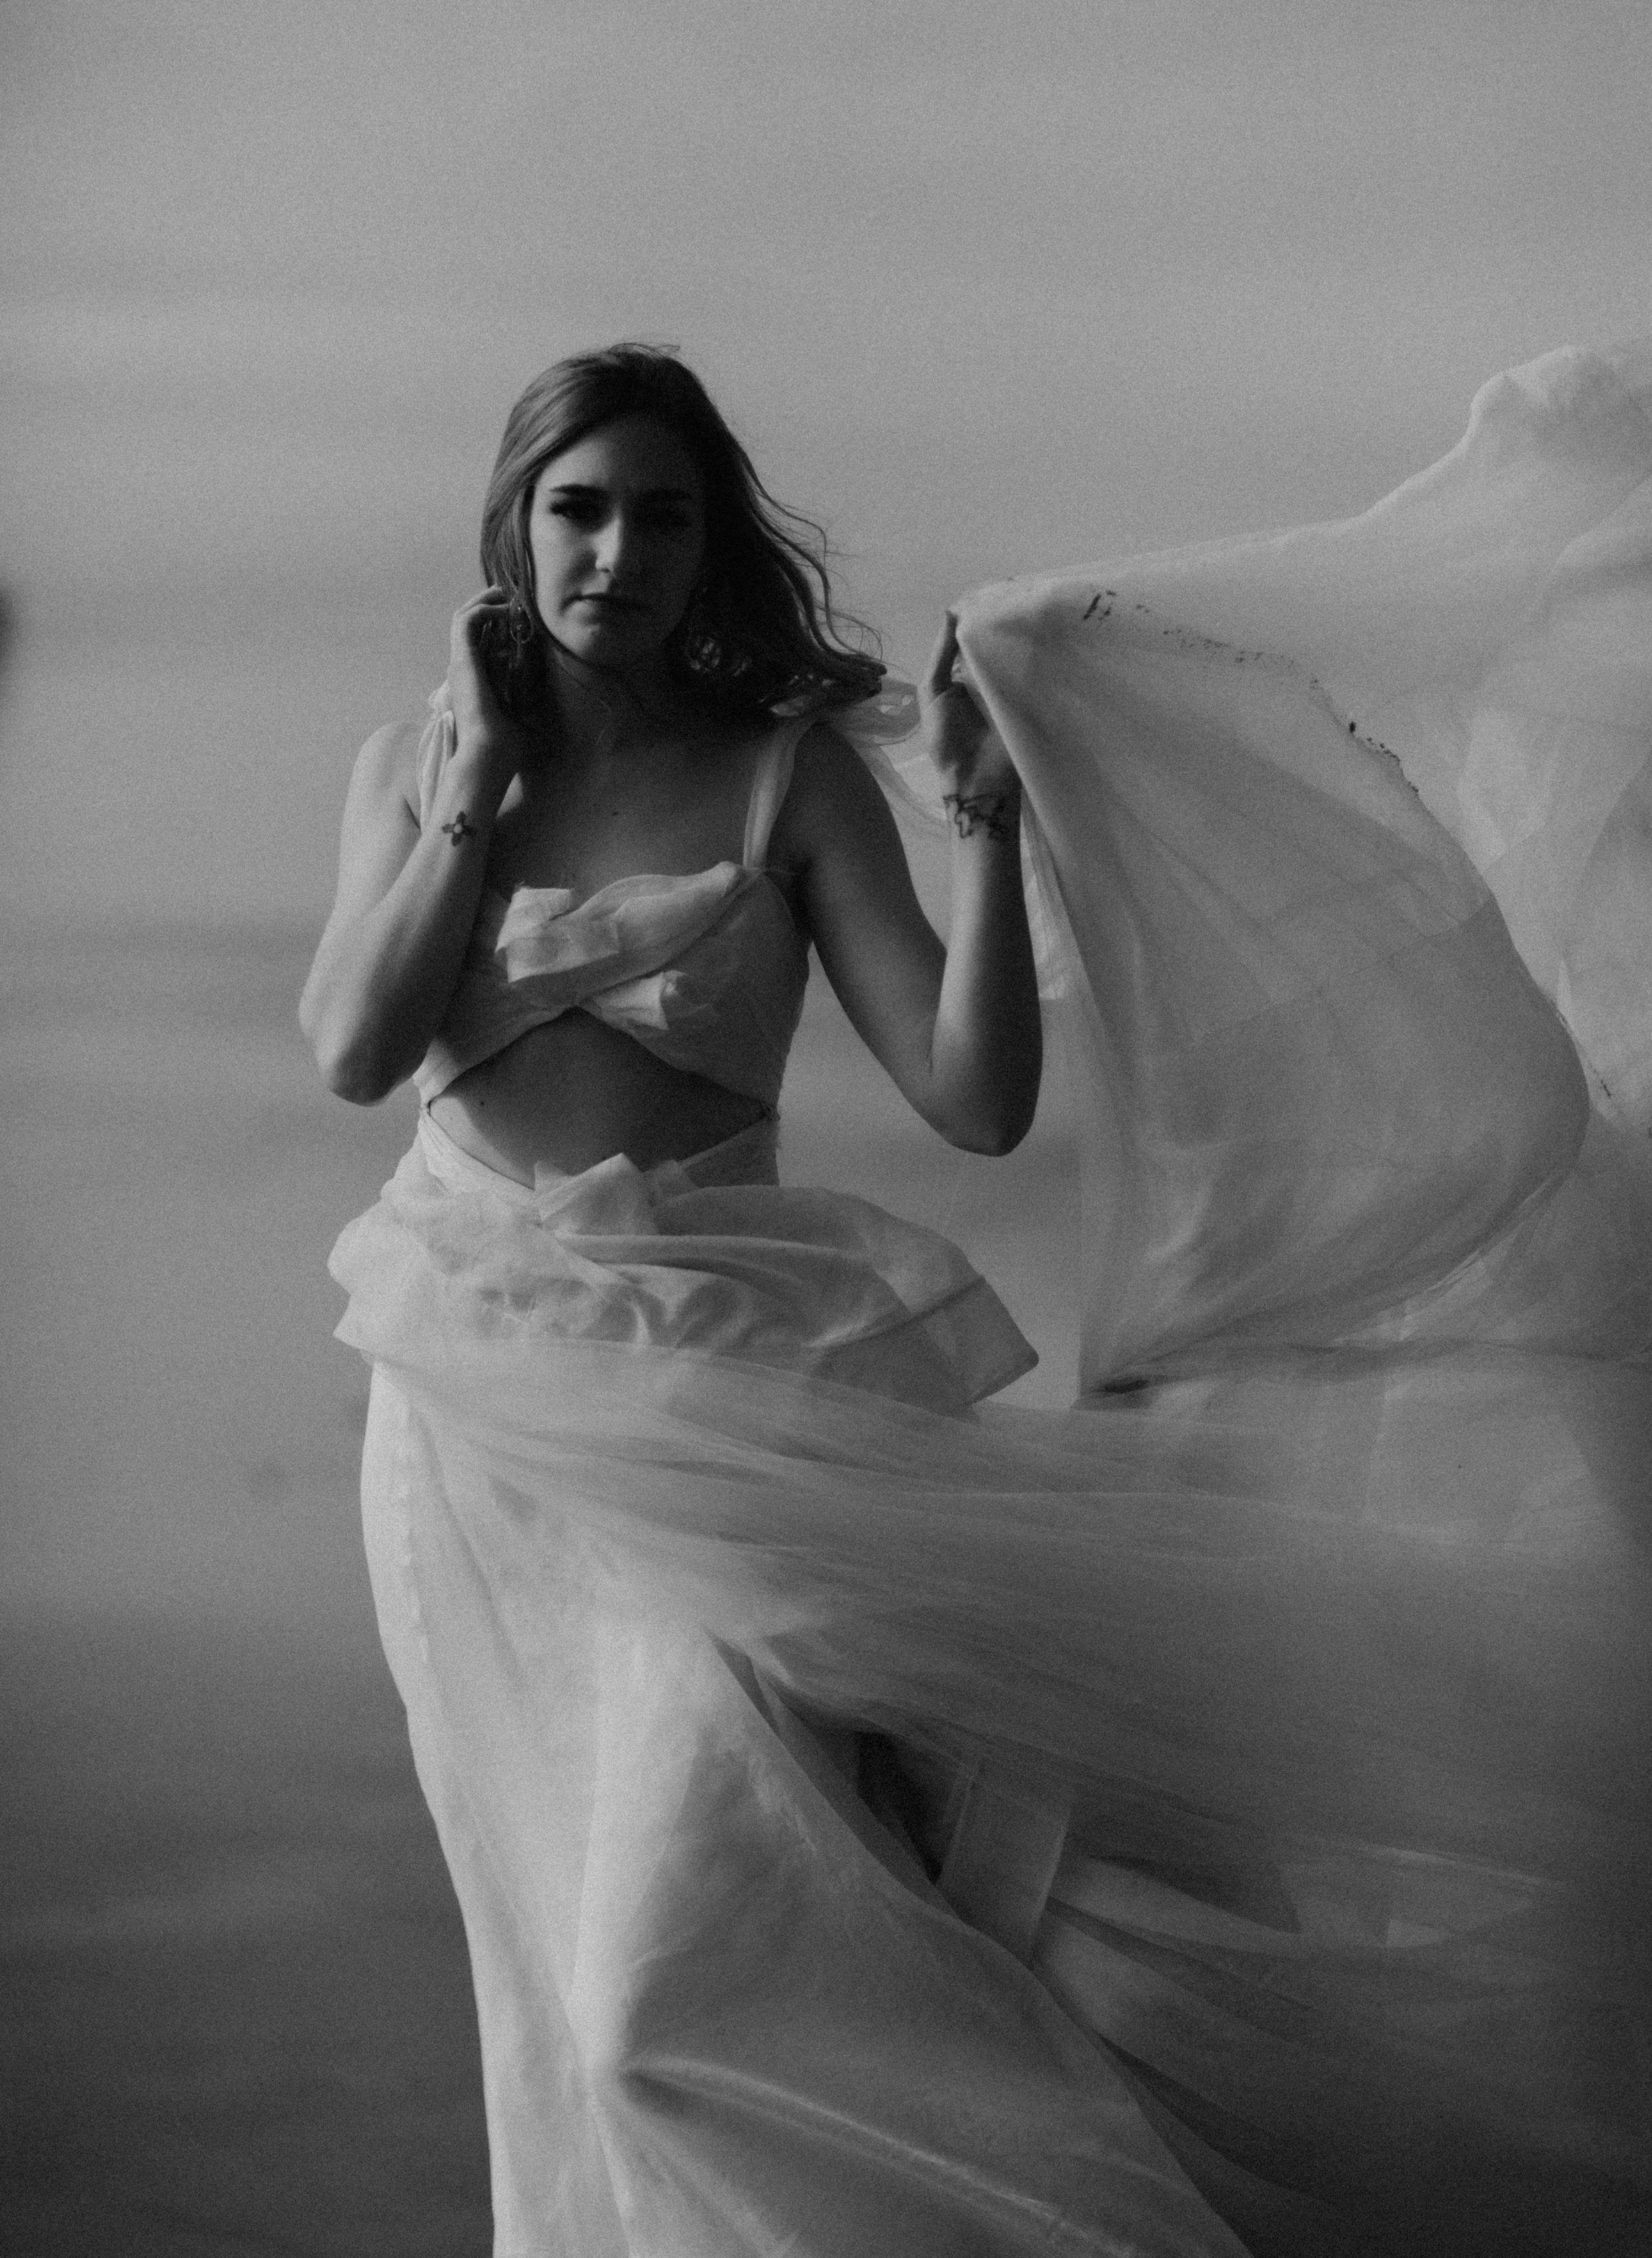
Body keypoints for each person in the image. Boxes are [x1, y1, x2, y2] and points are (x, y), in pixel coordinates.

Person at [307, 341, 1652, 2257]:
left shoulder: (782, 777)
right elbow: (357, 1051)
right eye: (580, 509)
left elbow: (973, 1099)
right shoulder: (412, 770)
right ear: (513, 529)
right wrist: (472, 793)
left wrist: (984, 820)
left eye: (662, 515)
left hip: (732, 1387)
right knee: (545, 1951)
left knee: (669, 1985)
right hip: (471, 1405)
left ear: (712, 545)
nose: (619, 551)